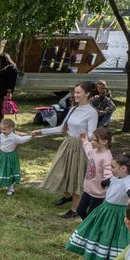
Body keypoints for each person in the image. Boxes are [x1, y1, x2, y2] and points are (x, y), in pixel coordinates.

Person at [65, 152, 130, 260]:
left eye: (113, 167)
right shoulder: (118, 177)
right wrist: (104, 183)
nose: (111, 170)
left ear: (123, 168)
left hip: (116, 217)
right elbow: (108, 181)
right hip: (105, 211)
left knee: (109, 241)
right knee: (99, 238)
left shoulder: (128, 181)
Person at [34, 81, 98, 218]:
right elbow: (60, 128)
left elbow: (93, 134)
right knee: (61, 171)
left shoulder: (92, 112)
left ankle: (75, 210)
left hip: (81, 147)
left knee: (77, 176)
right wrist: (41, 131)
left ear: (87, 94)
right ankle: (67, 195)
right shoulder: (73, 109)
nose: (75, 95)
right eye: (74, 92)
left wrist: (86, 136)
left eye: (78, 92)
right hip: (68, 143)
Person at [0, 118, 32, 195]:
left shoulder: (15, 137)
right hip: (1, 156)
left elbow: (22, 140)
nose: (3, 131)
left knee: (9, 172)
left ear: (11, 129)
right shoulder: (2, 135)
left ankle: (11, 189)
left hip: (10, 157)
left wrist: (31, 136)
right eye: (2, 129)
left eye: (5, 129)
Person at [73, 127, 113, 220]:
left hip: (98, 193)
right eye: (92, 139)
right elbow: (88, 150)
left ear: (104, 141)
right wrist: (84, 140)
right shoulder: (94, 151)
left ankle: (91, 230)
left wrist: (106, 183)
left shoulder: (106, 156)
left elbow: (109, 173)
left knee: (92, 215)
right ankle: (89, 226)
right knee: (80, 210)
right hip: (88, 189)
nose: (92, 142)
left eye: (95, 140)